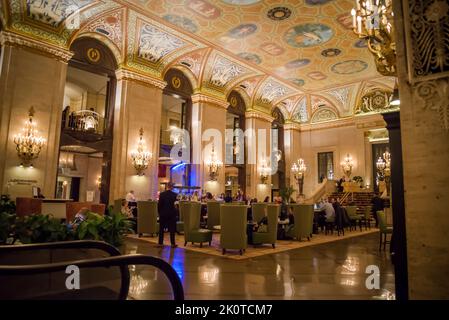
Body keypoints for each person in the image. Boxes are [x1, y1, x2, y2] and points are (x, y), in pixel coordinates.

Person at [157, 182, 178, 248]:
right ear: (172, 187)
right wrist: (175, 213)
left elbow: (159, 205)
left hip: (163, 213)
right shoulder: (175, 194)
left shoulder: (162, 194)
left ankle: (160, 243)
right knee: (172, 229)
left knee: (161, 229)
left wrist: (160, 213)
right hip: (171, 214)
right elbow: (175, 205)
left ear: (167, 186)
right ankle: (172, 243)